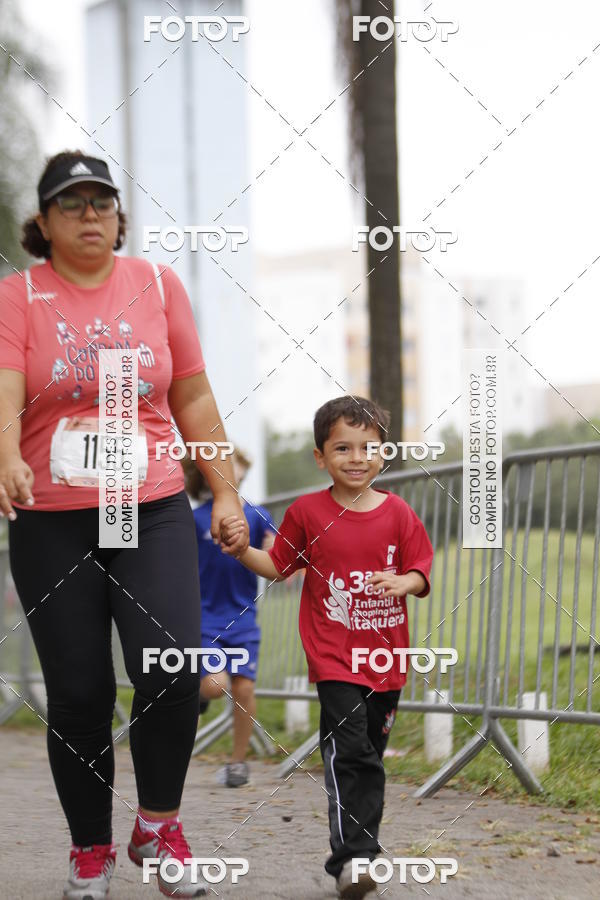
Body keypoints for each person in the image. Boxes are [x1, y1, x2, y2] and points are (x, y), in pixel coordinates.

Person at [0, 150, 249, 899]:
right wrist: (6, 454)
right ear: (43, 223)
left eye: (101, 203)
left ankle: (158, 825)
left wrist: (226, 492)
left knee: (170, 668)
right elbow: (6, 387)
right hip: (53, 516)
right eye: (71, 205)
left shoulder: (155, 284)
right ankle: (89, 850)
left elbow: (196, 401)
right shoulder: (19, 295)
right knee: (78, 692)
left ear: (118, 215)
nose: (89, 216)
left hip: (149, 503)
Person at [220, 395, 433, 899]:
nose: (356, 458)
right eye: (342, 448)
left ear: (385, 453)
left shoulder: (399, 513)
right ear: (321, 456)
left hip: (386, 660)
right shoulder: (307, 512)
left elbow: (421, 570)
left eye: (369, 447)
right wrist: (242, 550)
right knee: (349, 750)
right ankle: (354, 861)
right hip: (334, 658)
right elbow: (279, 566)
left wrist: (406, 583)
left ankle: (363, 847)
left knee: (370, 757)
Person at [184, 447, 275, 787]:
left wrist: (278, 552)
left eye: (234, 461)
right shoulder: (196, 519)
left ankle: (238, 763)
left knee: (245, 688)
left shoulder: (256, 514)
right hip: (204, 618)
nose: (228, 468)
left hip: (244, 617)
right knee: (216, 685)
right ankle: (198, 694)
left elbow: (275, 547)